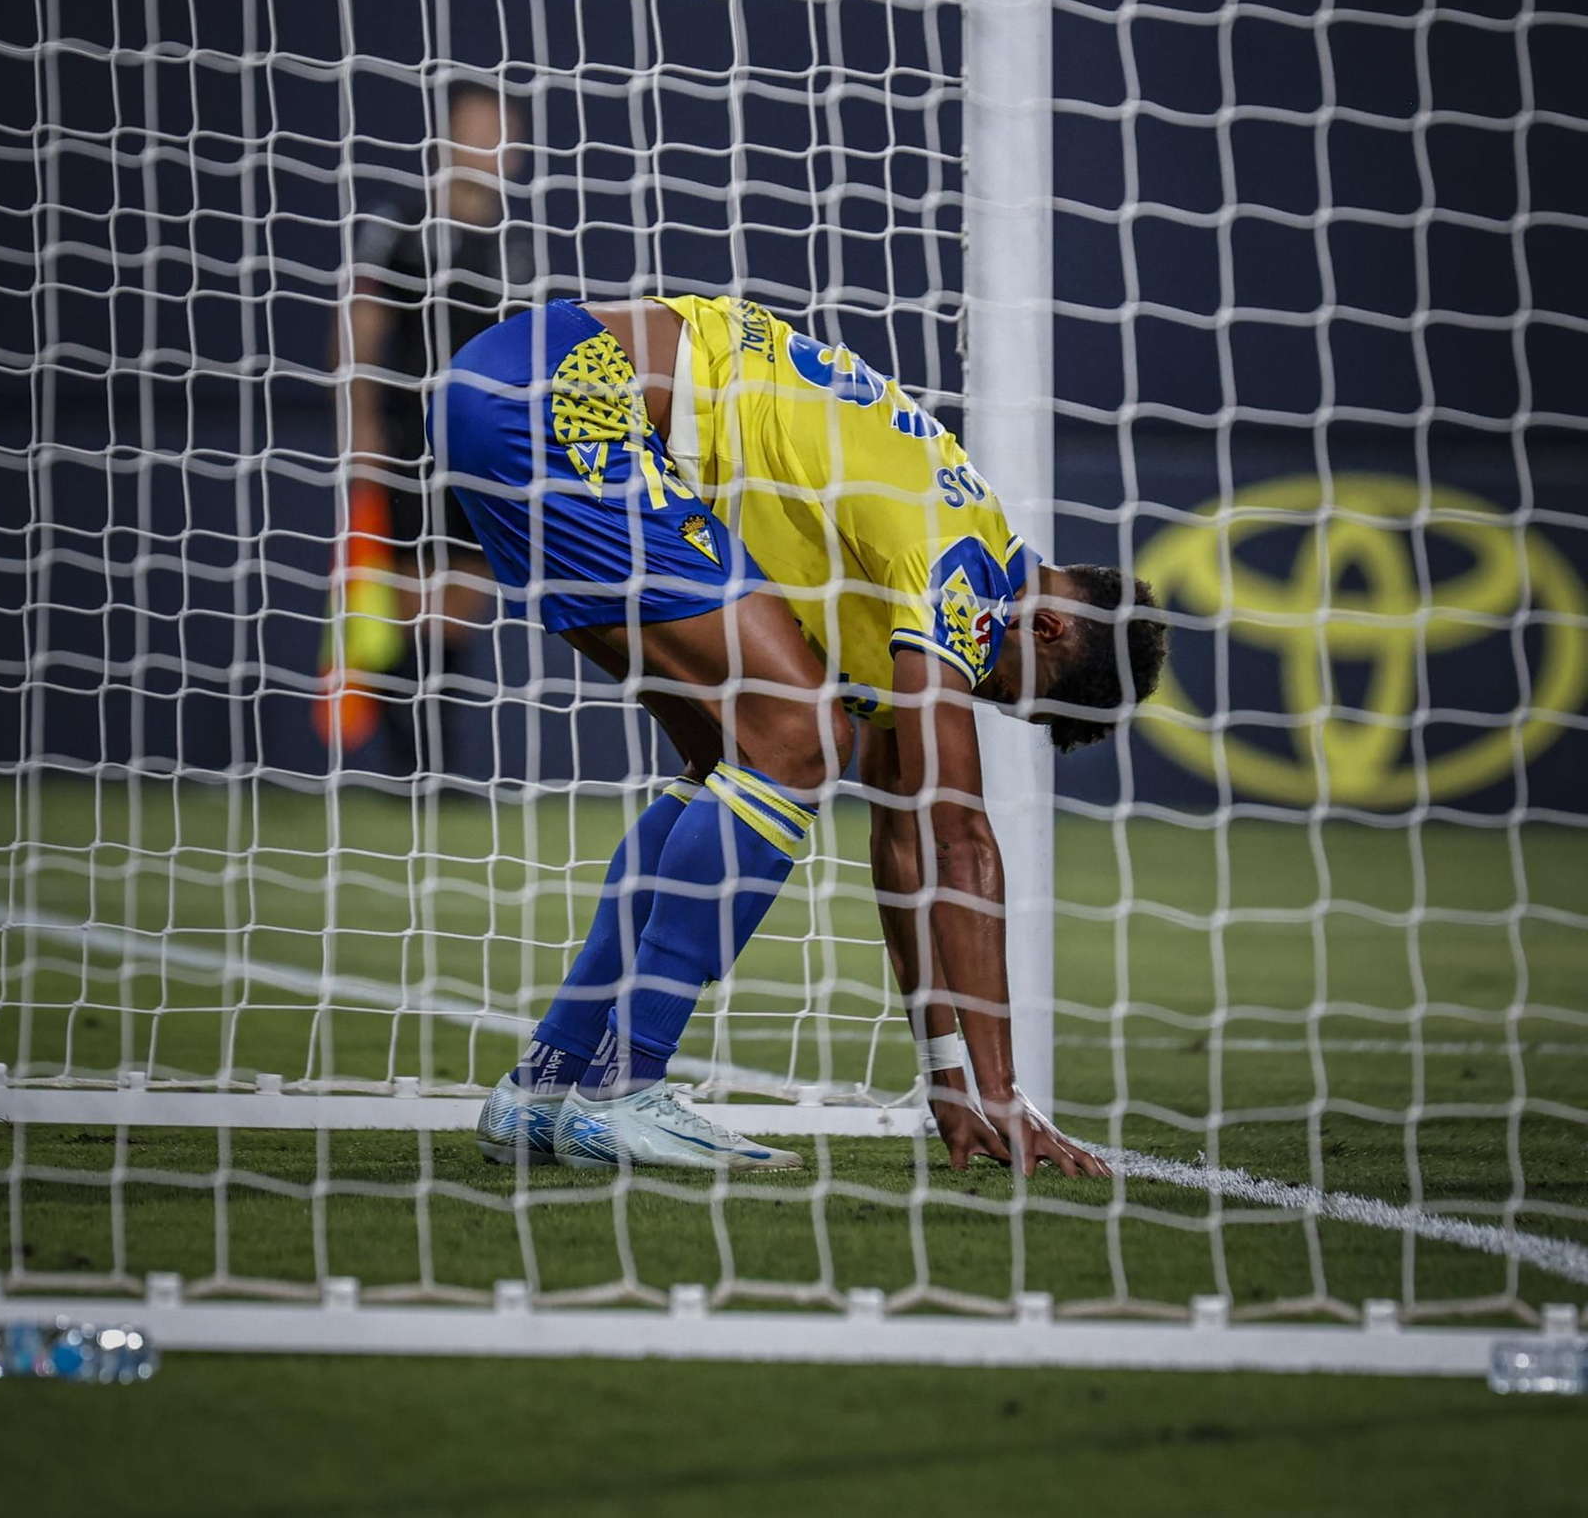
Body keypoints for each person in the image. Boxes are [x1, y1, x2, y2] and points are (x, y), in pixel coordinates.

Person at [436, 293, 1166, 1174]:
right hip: (571, 396)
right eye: (999, 687)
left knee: (732, 762)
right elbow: (959, 837)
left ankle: (546, 1084)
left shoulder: (918, 595)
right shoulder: (964, 571)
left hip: (500, 387)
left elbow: (904, 841)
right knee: (805, 735)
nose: (971, 692)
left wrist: (945, 1075)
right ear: (1045, 627)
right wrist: (1004, 1091)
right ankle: (625, 1087)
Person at [335, 83, 528, 770]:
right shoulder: (403, 224)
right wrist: (361, 423)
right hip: (408, 437)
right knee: (409, 597)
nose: (489, 145)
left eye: (502, 132)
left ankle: (438, 762)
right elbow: (361, 323)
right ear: (447, 137)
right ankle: (412, 767)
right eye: (476, 128)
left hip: (483, 448)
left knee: (460, 600)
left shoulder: (517, 245)